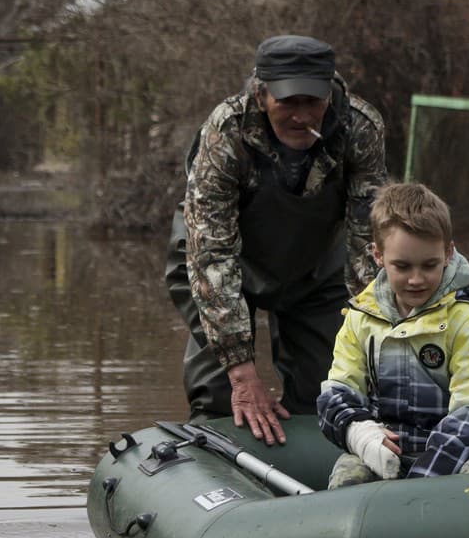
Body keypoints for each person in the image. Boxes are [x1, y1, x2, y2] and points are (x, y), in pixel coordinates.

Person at [165, 35, 387, 445]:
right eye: (289, 102)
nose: (302, 117)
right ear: (262, 93)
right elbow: (211, 254)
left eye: (313, 102)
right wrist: (241, 370)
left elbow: (367, 243)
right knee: (220, 394)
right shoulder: (225, 131)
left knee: (332, 390)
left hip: (315, 265)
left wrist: (371, 336)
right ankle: (221, 474)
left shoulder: (360, 126)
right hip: (218, 262)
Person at [316, 182, 469, 488]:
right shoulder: (360, 317)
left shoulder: (467, 318)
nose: (416, 279)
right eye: (402, 266)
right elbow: (337, 392)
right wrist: (361, 434)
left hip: (453, 455)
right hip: (379, 450)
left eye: (429, 265)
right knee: (347, 478)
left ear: (448, 253)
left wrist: (423, 480)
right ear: (378, 255)